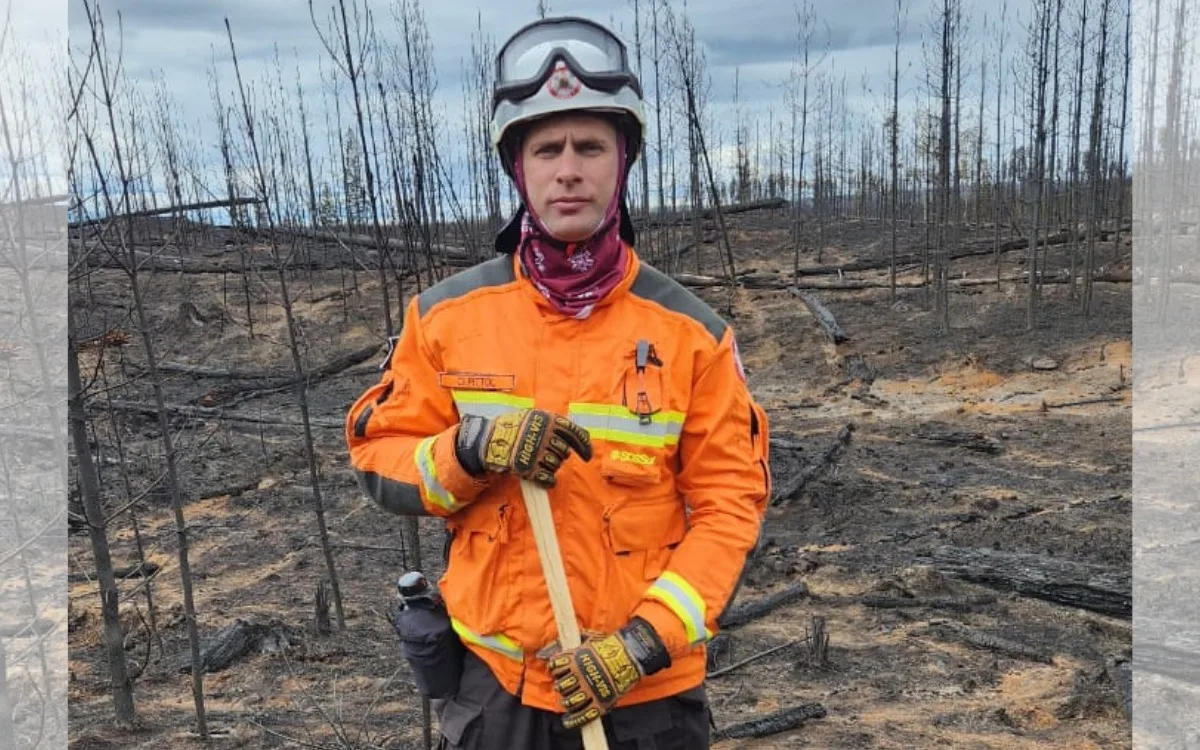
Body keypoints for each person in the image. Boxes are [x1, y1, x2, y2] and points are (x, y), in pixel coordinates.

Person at [346, 15, 771, 750]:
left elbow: (729, 509)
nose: (568, 169)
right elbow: (381, 459)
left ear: (622, 162)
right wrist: (472, 451)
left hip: (645, 698)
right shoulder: (446, 317)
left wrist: (641, 644)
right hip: (496, 691)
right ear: (520, 168)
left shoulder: (692, 334)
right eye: (547, 149)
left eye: (590, 147)